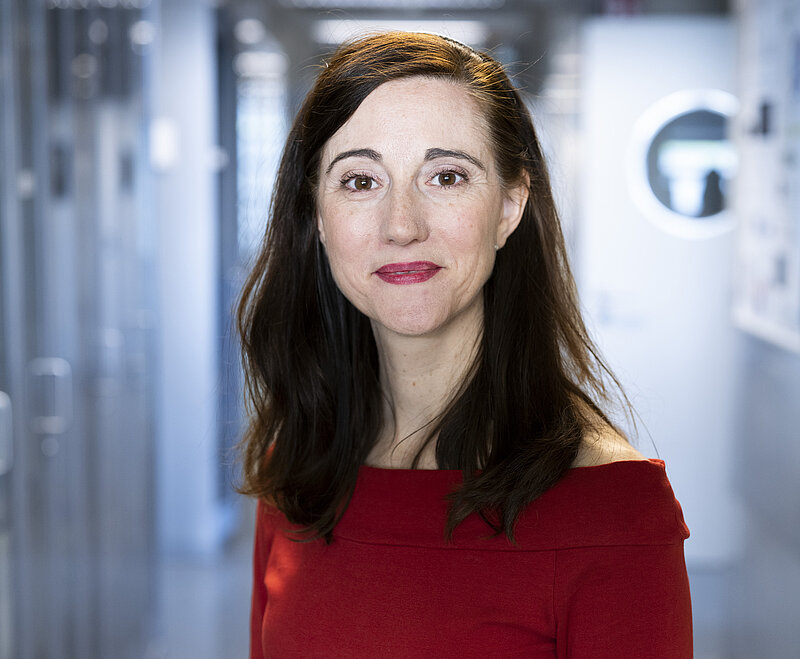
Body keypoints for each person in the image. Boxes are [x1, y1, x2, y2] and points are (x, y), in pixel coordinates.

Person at [238, 32, 692, 658]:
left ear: (510, 205)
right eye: (360, 182)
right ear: (317, 215)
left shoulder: (609, 510)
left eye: (446, 176)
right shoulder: (298, 459)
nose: (402, 225)